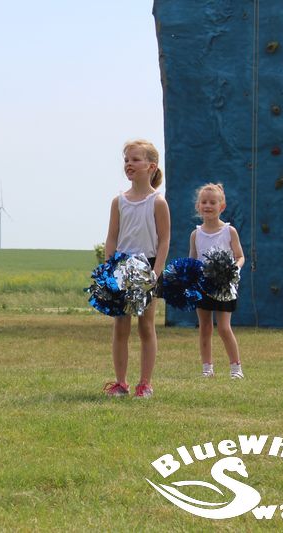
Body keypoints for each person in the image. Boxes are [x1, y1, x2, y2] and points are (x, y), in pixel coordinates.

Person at [102, 139, 170, 398]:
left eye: (135, 159)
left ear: (151, 166)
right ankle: (121, 383)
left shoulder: (158, 202)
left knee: (146, 326)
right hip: (121, 266)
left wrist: (155, 274)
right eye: (126, 160)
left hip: (148, 267)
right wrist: (109, 268)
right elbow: (112, 237)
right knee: (121, 326)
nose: (129, 164)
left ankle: (145, 383)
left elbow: (164, 240)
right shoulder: (118, 201)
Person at [189, 183, 245, 379]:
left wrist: (233, 269)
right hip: (202, 286)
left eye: (212, 202)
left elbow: (240, 256)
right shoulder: (196, 234)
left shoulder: (229, 231)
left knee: (223, 328)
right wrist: (188, 277)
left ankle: (236, 368)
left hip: (224, 286)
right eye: (204, 202)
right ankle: (207, 368)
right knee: (205, 327)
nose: (208, 206)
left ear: (222, 206)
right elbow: (193, 259)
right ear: (198, 206)